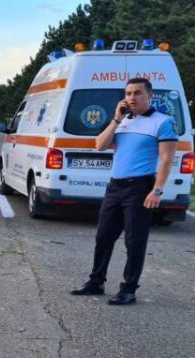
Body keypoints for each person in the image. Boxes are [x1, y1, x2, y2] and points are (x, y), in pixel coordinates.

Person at [71, 77, 179, 306]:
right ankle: (96, 282)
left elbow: (167, 158)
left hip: (140, 188)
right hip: (115, 186)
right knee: (103, 237)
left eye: (138, 93)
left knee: (134, 241)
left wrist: (157, 190)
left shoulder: (162, 122)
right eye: (128, 93)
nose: (132, 98)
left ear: (149, 96)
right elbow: (99, 146)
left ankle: (128, 289)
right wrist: (116, 119)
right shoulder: (122, 120)